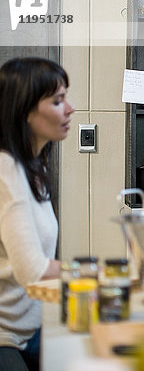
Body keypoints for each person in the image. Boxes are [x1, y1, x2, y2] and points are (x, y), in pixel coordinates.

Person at [0, 57, 74, 371]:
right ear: (25, 111)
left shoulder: (33, 167)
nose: (70, 108)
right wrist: (98, 273)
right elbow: (32, 270)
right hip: (5, 338)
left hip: (29, 330)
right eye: (58, 101)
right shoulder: (6, 170)